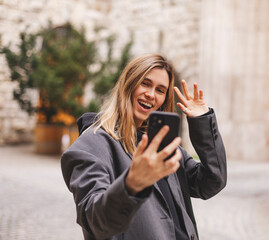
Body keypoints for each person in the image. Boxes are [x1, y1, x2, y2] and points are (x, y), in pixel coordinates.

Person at [61, 53, 227, 240]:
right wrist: (131, 184)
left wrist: (202, 122)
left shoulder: (163, 146)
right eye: (145, 83)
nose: (151, 94)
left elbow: (211, 183)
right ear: (128, 84)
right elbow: (94, 219)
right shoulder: (92, 145)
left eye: (160, 90)